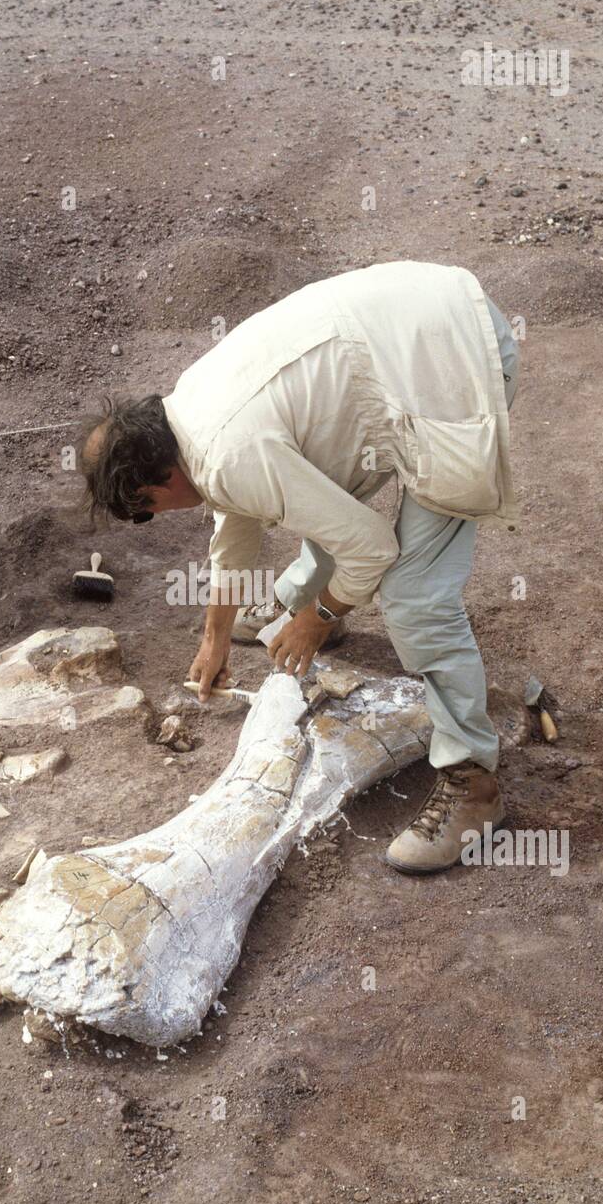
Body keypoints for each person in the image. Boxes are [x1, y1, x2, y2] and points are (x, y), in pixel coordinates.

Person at [78, 261, 521, 873]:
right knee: (318, 486)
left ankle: (472, 784)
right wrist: (213, 636)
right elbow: (235, 515)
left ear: (162, 477)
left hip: (451, 363)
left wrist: (318, 616)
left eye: (149, 509)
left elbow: (370, 544)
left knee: (414, 593)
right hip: (410, 322)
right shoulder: (188, 415)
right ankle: (307, 604)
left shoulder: (228, 454)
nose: (164, 514)